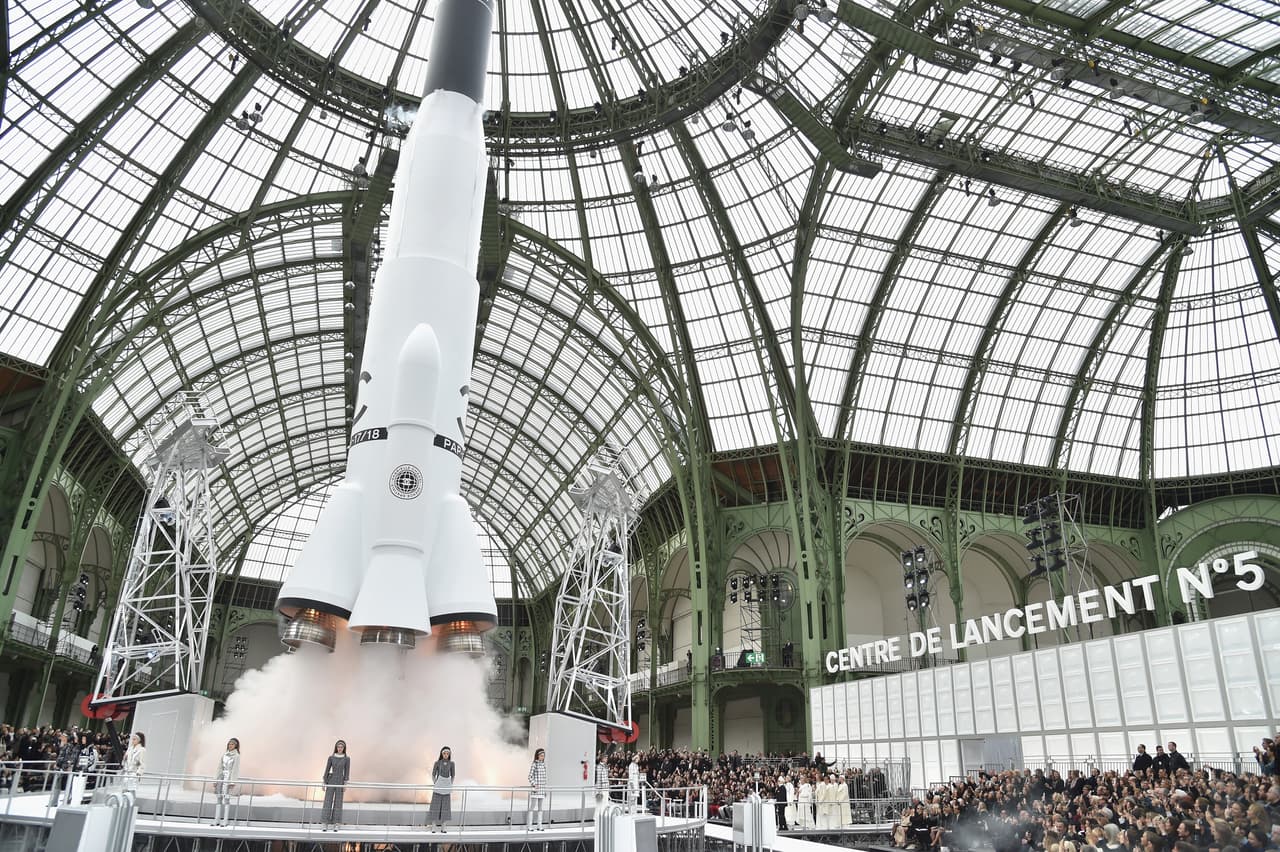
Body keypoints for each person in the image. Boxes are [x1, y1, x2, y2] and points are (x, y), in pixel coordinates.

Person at [321, 740, 350, 830]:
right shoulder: (331, 758)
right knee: (328, 801)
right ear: (336, 747)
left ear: (344, 748)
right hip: (331, 780)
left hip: (340, 781)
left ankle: (336, 823)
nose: (340, 748)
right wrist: (324, 781)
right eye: (338, 747)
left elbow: (347, 771)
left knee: (338, 802)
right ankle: (325, 822)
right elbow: (327, 769)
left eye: (341, 747)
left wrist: (345, 783)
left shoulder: (346, 759)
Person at [213, 737, 240, 827]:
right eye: (229, 744)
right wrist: (216, 779)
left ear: (235, 746)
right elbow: (219, 767)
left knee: (227, 799)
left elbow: (235, 769)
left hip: (228, 778)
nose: (230, 745)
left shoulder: (236, 756)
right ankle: (217, 819)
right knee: (219, 798)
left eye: (232, 744)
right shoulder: (224, 755)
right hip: (221, 777)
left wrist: (232, 782)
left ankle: (225, 820)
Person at [428, 746, 455, 832]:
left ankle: (444, 826)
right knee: (435, 805)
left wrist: (450, 783)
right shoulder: (437, 763)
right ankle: (433, 826)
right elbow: (433, 774)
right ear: (441, 754)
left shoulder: (452, 764)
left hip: (447, 785)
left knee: (446, 806)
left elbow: (453, 775)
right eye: (444, 753)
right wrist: (435, 782)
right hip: (438, 785)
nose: (446, 755)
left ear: (449, 754)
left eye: (447, 753)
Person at [49, 732, 77, 806]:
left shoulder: (69, 746)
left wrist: (66, 765)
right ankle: (55, 801)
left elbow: (68, 757)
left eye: (63, 736)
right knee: (57, 784)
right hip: (60, 767)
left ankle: (67, 800)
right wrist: (57, 763)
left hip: (65, 768)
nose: (61, 737)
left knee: (68, 784)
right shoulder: (62, 745)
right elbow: (60, 756)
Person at [527, 748, 547, 831]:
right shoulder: (534, 764)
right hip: (536, 789)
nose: (542, 757)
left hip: (542, 789)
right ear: (537, 756)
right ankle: (529, 826)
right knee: (532, 807)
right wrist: (534, 784)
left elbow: (544, 778)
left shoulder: (543, 764)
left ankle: (539, 825)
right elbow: (530, 776)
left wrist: (545, 790)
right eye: (541, 756)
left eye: (543, 756)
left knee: (540, 807)